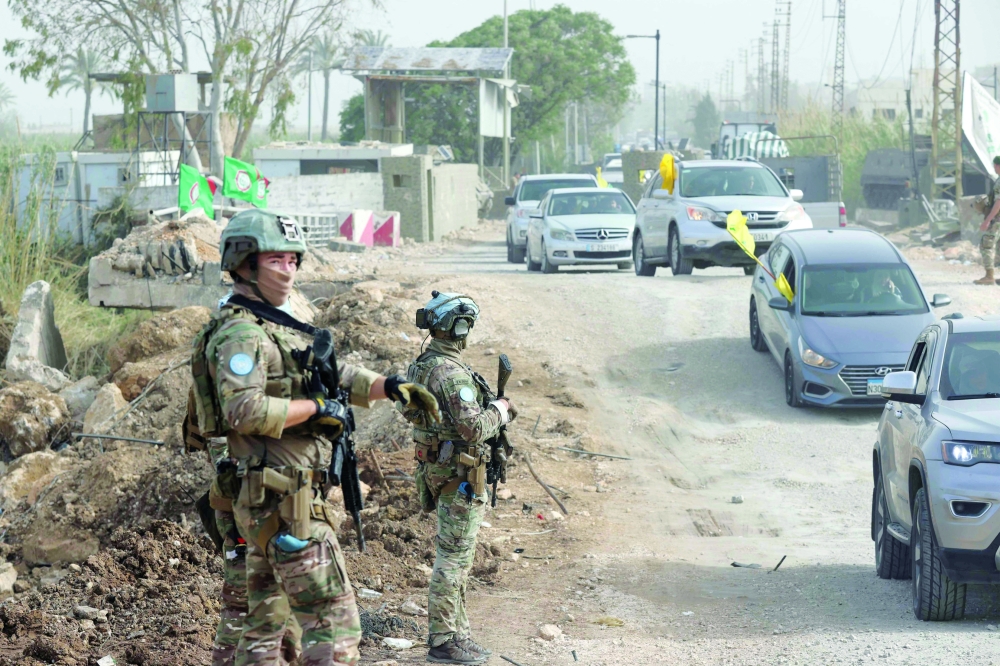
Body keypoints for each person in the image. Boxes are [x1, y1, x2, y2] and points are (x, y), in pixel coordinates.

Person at [190, 208, 441, 666]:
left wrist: (389, 386)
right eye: (276, 261)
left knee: (266, 631)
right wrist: (319, 409)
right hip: (285, 503)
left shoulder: (274, 326)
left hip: (275, 500)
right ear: (245, 265)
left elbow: (329, 371)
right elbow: (243, 411)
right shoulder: (242, 335)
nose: (288, 271)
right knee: (334, 629)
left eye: (293, 261)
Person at [401, 292, 517, 665]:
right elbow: (471, 428)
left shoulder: (423, 366)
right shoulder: (451, 374)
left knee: (460, 557)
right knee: (453, 559)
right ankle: (443, 641)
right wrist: (499, 411)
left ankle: (458, 634)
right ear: (459, 328)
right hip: (459, 475)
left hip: (441, 470)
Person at [975, 156, 1000, 285]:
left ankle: (989, 276)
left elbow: (999, 202)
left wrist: (988, 220)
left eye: (995, 166)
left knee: (986, 246)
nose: (994, 169)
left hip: (997, 220)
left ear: (997, 165)